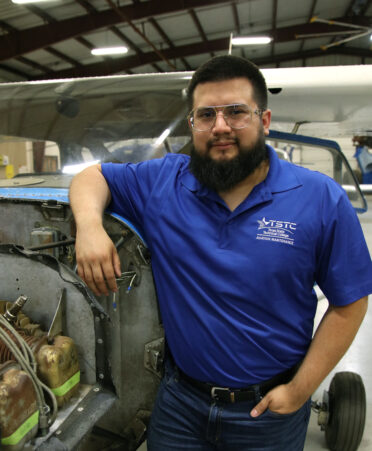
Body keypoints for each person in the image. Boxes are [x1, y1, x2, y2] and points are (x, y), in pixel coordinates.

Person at [69, 55, 372, 450]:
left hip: (268, 412)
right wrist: (89, 226)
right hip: (180, 405)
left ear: (264, 121)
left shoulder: (319, 198)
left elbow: (350, 302)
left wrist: (300, 391)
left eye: (236, 112)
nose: (221, 127)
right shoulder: (164, 182)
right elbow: (91, 176)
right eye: (206, 115)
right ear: (192, 123)